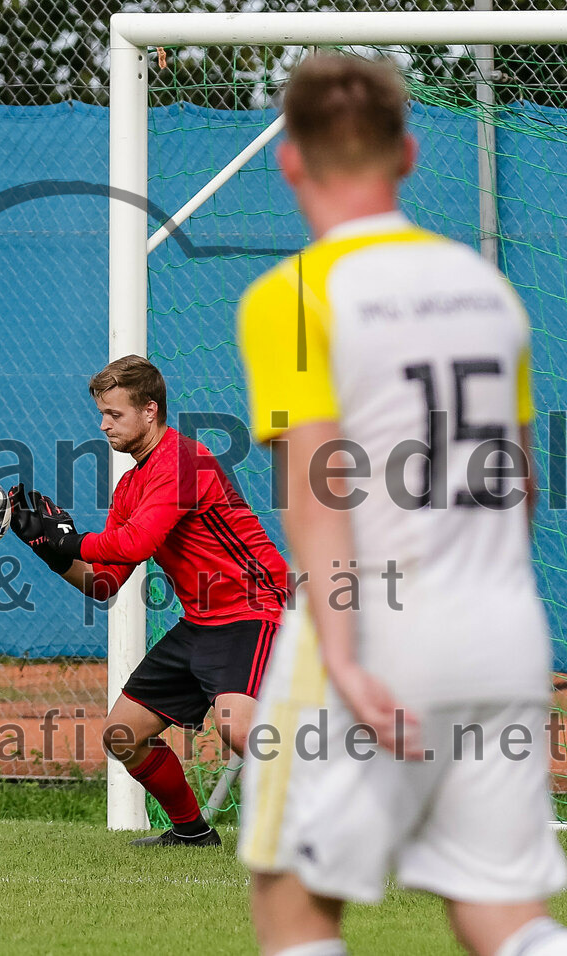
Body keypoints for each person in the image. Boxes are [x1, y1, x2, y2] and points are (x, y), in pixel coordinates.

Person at [236, 54, 567, 956]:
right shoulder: (487, 290)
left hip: (377, 633)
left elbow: (321, 486)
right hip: (502, 632)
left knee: (296, 907)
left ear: (291, 161)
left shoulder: (295, 293)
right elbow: (521, 485)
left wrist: (342, 655)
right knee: (505, 916)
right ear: (410, 154)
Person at [9, 354, 288, 847]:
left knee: (237, 727)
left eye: (114, 414)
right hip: (202, 620)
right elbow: (105, 583)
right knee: (122, 734)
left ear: (150, 411)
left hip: (254, 608)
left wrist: (70, 538)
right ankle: (192, 833)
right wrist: (49, 550)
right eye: (102, 413)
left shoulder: (184, 462)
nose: (104, 425)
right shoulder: (131, 484)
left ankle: (342, 816)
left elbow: (135, 543)